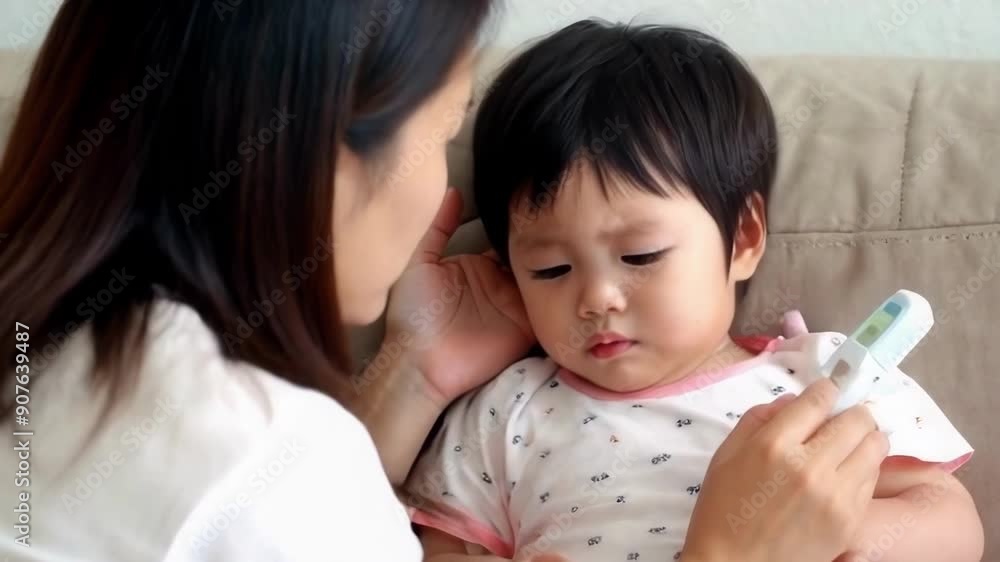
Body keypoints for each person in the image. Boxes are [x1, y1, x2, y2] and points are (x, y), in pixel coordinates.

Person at [0, 2, 907, 561]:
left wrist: (416, 367)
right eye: (441, 134)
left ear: (744, 237)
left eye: (639, 255)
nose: (442, 188)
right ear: (324, 153)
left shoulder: (50, 361)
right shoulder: (259, 452)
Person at [403, 21, 984, 562]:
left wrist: (839, 535)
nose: (597, 298)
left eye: (640, 256)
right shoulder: (506, 411)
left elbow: (948, 517)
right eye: (551, 269)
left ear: (744, 238)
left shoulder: (823, 375)